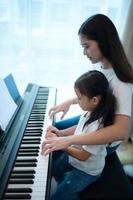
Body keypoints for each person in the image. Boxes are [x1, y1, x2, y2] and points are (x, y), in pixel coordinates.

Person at [41, 13, 133, 155]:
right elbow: (96, 92)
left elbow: (120, 131)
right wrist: (71, 101)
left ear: (102, 41)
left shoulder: (121, 83)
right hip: (96, 119)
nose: (84, 52)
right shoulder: (100, 65)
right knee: (53, 129)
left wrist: (69, 140)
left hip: (105, 136)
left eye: (86, 46)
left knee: (57, 144)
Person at [42, 70, 117, 200]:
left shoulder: (98, 126)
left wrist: (62, 144)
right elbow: (79, 127)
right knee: (54, 169)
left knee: (60, 196)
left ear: (94, 100)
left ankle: (68, 189)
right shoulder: (91, 111)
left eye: (79, 98)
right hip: (75, 156)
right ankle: (64, 182)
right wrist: (60, 133)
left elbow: (83, 156)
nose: (76, 101)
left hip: (86, 171)